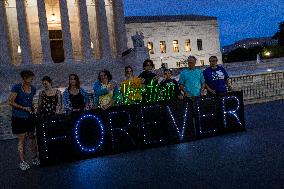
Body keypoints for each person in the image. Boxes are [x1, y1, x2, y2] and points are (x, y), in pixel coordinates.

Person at [8, 70, 40, 171]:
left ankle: (35, 158)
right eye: (30, 78)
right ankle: (22, 162)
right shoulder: (17, 87)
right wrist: (24, 108)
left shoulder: (33, 89)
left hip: (29, 117)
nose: (31, 80)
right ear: (24, 78)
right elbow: (10, 102)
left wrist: (33, 109)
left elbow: (30, 103)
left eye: (32, 78)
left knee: (32, 137)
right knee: (21, 139)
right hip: (18, 117)